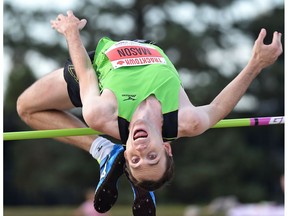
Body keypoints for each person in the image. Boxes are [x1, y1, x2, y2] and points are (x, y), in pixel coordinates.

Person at [16, 10, 282, 215]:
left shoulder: (101, 113)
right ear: (168, 148)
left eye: (134, 161)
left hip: (98, 70)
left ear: (128, 150)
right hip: (145, 47)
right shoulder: (186, 120)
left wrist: (71, 32)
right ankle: (110, 156)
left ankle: (102, 150)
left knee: (26, 107)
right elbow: (219, 107)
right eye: (152, 157)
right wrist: (256, 64)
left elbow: (85, 72)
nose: (141, 152)